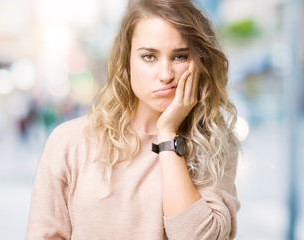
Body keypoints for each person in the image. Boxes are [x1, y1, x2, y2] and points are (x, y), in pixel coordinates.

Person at [26, 0, 241, 239]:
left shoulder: (214, 146)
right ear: (126, 61)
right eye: (149, 56)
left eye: (179, 56)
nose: (165, 75)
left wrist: (168, 135)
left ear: (201, 63)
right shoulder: (71, 142)